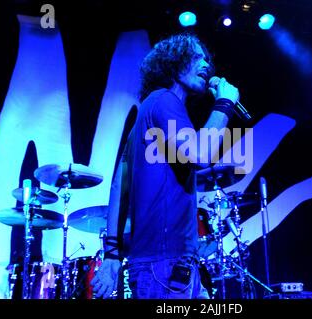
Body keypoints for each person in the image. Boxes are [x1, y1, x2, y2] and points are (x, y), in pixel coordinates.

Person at [91, 33, 239, 299]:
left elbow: (118, 187)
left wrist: (112, 254)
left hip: (166, 266)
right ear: (172, 62)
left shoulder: (146, 115)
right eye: (196, 57)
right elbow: (199, 155)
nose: (206, 64)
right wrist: (225, 104)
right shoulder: (164, 101)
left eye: (206, 58)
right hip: (166, 268)